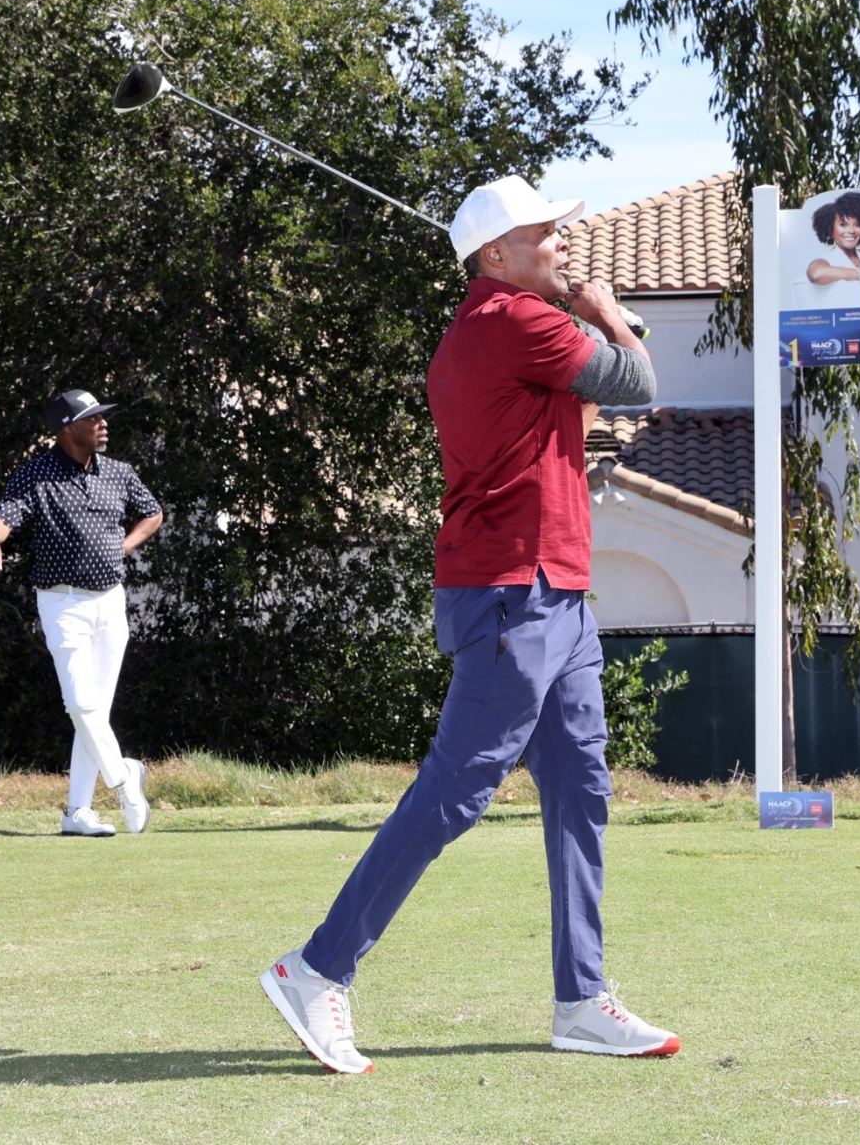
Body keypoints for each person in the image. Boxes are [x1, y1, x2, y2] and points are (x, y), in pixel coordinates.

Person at [258, 175, 678, 1074]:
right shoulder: (510, 323)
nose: (562, 243)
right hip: (508, 592)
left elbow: (587, 411)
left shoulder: (506, 332)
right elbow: (638, 382)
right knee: (454, 792)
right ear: (495, 256)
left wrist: (592, 322)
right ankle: (316, 967)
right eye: (544, 233)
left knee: (581, 790)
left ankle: (580, 999)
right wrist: (605, 309)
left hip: (555, 591)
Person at [0, 390, 164, 837]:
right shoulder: (37, 475)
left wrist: (125, 545)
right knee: (80, 703)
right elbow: (6, 514)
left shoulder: (118, 472)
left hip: (110, 602)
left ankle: (77, 812)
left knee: (92, 711)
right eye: (92, 417)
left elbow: (153, 513)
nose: (102, 423)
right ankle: (123, 779)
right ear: (66, 428)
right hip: (62, 604)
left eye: (102, 417)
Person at [803, 190, 860, 307]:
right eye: (843, 225)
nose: (851, 231)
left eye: (857, 225)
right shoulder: (829, 260)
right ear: (831, 229)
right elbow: (815, 274)